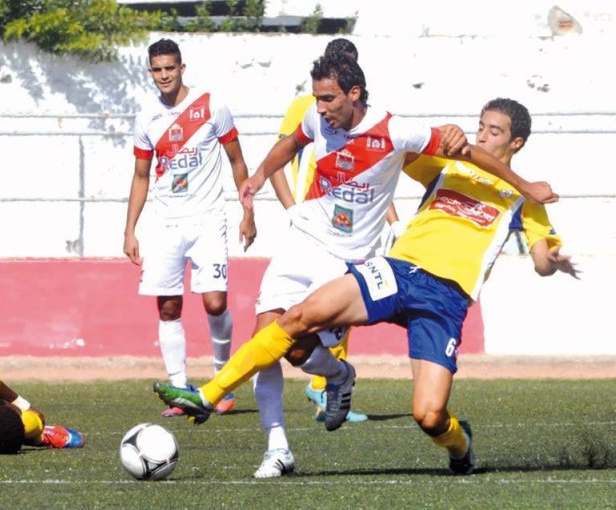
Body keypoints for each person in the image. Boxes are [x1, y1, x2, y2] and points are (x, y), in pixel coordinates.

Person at [155, 53, 559, 478]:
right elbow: (451, 152)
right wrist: (257, 179)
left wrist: (545, 245)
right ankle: (216, 400)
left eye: (494, 131)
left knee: (428, 415)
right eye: (480, 126)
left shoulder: (520, 200)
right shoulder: (446, 169)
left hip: (444, 295)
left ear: (516, 143)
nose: (482, 135)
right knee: (291, 323)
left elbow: (540, 256)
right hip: (396, 270)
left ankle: (459, 445)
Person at [123, 38, 257, 418]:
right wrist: (130, 230)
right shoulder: (146, 118)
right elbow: (140, 176)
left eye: (170, 68)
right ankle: (180, 390)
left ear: (182, 69)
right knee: (168, 307)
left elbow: (237, 161)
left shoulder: (212, 106)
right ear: (150, 72)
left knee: (215, 302)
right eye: (157, 69)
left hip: (208, 219)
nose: (164, 75)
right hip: (165, 223)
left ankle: (222, 383)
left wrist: (248, 212)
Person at [269, 37, 372, 425]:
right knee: (303, 313)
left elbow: (368, 174)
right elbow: (279, 157)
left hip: (349, 225)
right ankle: (323, 380)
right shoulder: (307, 107)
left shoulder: (359, 113)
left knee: (342, 308)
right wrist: (292, 210)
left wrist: (391, 221)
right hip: (313, 223)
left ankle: (327, 383)